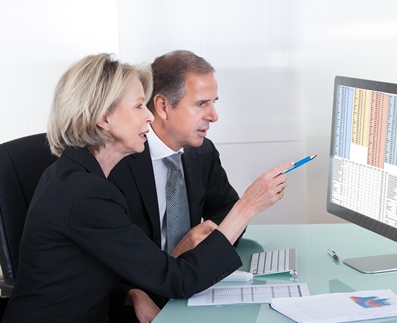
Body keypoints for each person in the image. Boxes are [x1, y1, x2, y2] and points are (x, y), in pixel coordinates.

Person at [1, 53, 290, 323]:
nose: (149, 116)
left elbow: (77, 270)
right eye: (139, 106)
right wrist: (248, 206)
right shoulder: (87, 193)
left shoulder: (73, 175)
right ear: (104, 118)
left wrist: (131, 292)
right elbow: (179, 280)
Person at [107, 50, 249, 320]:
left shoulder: (201, 152)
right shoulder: (118, 161)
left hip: (190, 289)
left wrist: (202, 247)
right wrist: (131, 292)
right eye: (201, 103)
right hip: (140, 300)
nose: (214, 115)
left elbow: (227, 210)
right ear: (161, 106)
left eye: (214, 102)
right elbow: (97, 257)